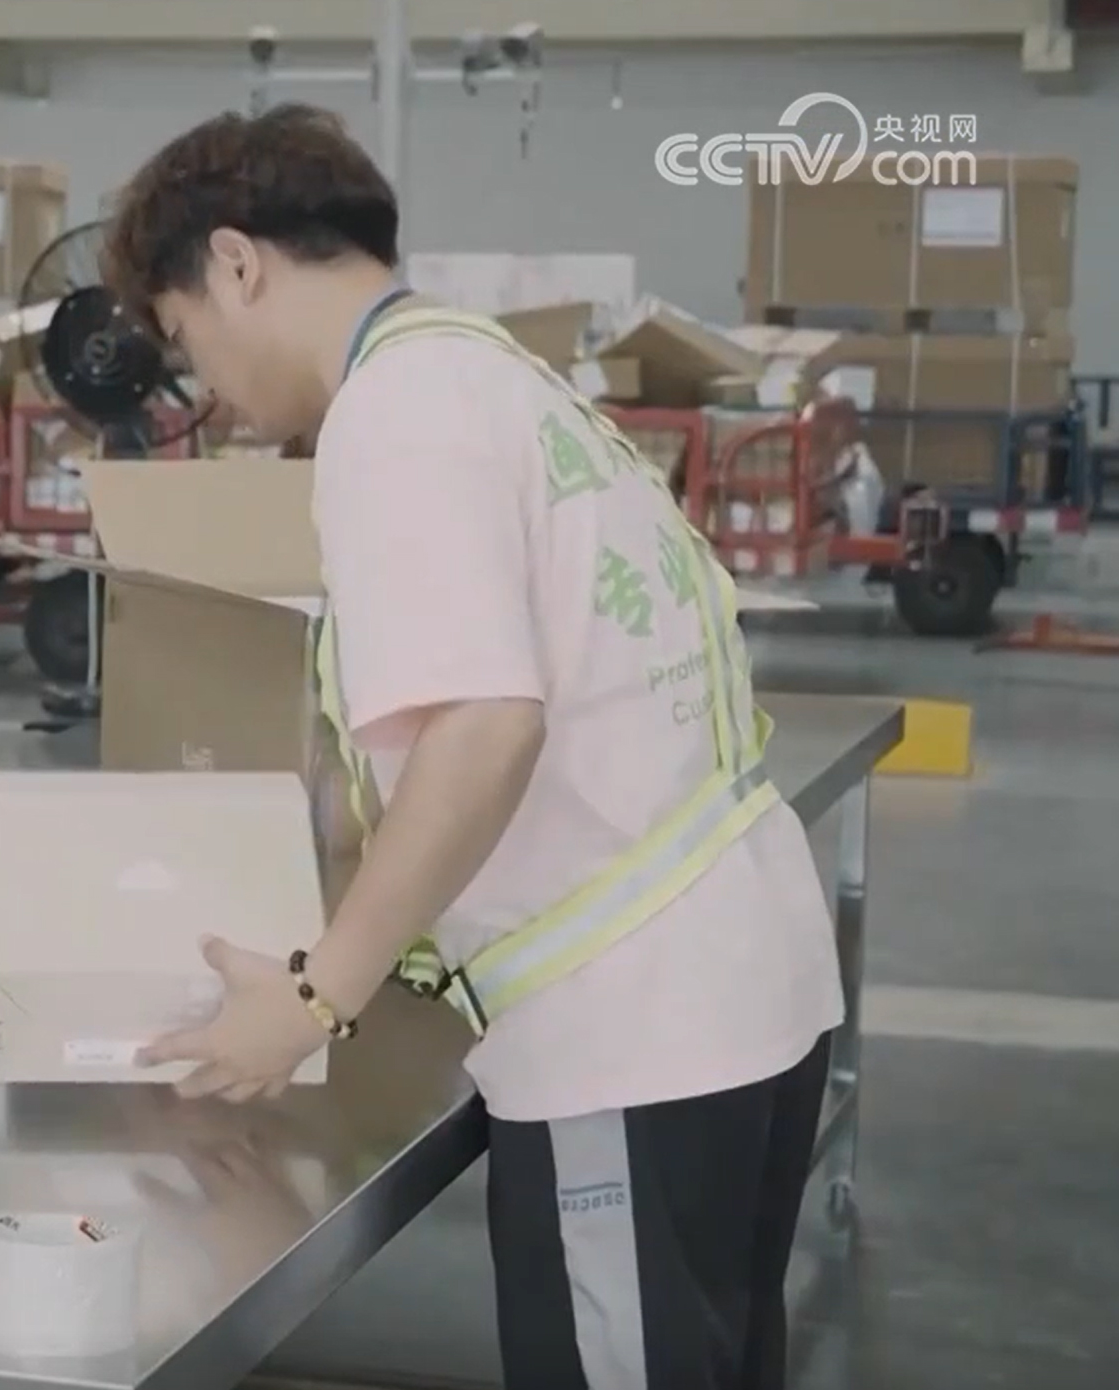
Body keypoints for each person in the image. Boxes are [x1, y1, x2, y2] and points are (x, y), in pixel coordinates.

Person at [107, 106, 845, 1390]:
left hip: (631, 1032)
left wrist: (314, 996)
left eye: (185, 337)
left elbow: (486, 727)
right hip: (735, 982)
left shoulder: (393, 415)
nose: (206, 384)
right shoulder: (487, 371)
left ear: (235, 263)